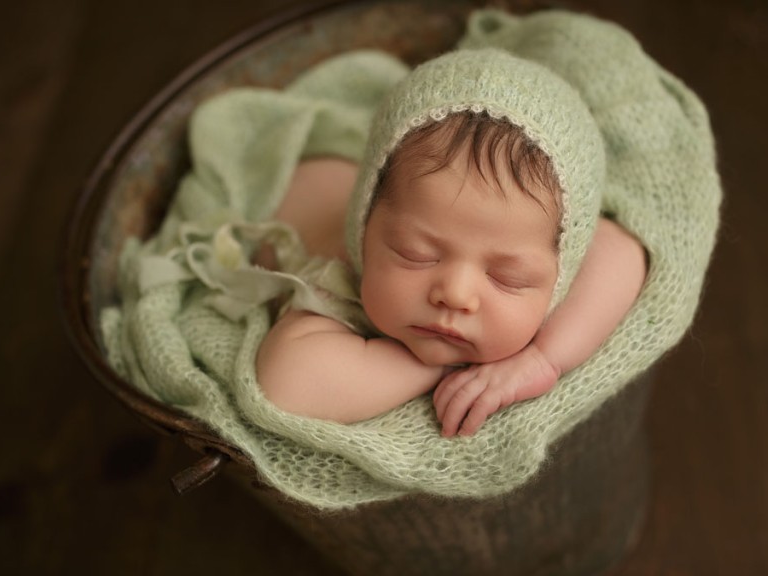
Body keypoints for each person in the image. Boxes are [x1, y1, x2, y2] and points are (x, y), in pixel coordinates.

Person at [254, 48, 647, 437]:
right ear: (366, 230)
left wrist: (543, 360)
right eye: (416, 255)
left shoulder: (549, 246)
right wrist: (438, 367)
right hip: (299, 185)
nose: (455, 295)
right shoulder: (340, 284)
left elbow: (620, 250)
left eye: (508, 277)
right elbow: (286, 384)